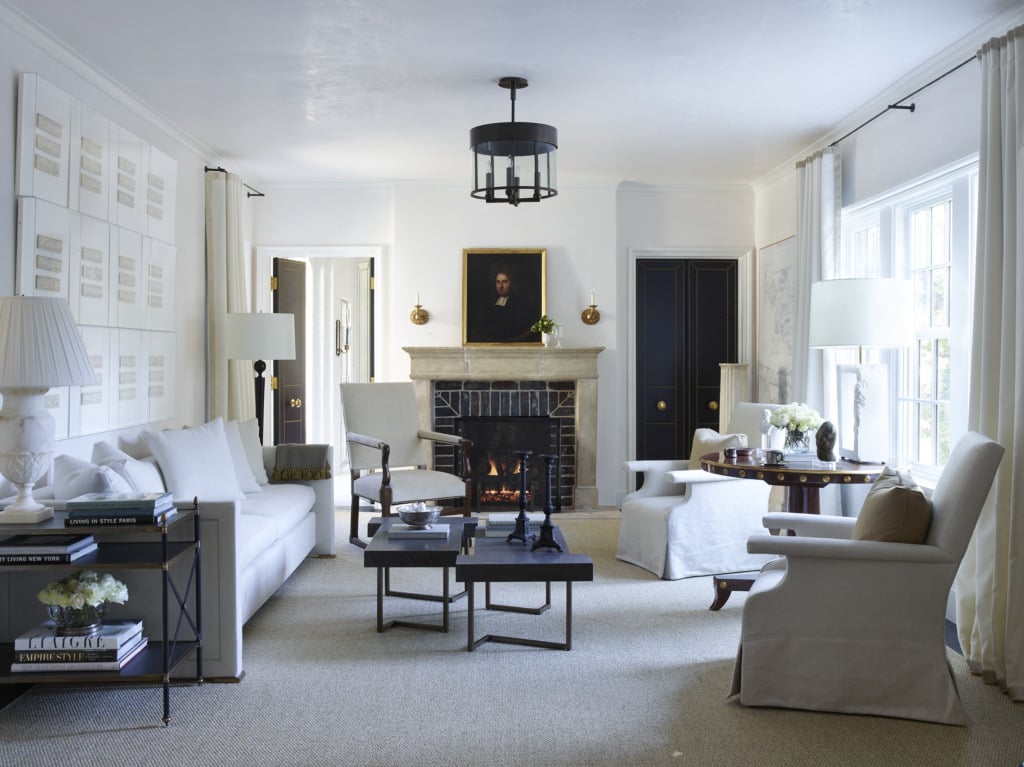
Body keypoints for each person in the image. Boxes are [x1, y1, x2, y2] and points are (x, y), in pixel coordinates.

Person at [476, 264, 537, 342]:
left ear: (512, 282)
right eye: (498, 282)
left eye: (505, 282)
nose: (501, 286)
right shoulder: (490, 303)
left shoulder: (521, 304)